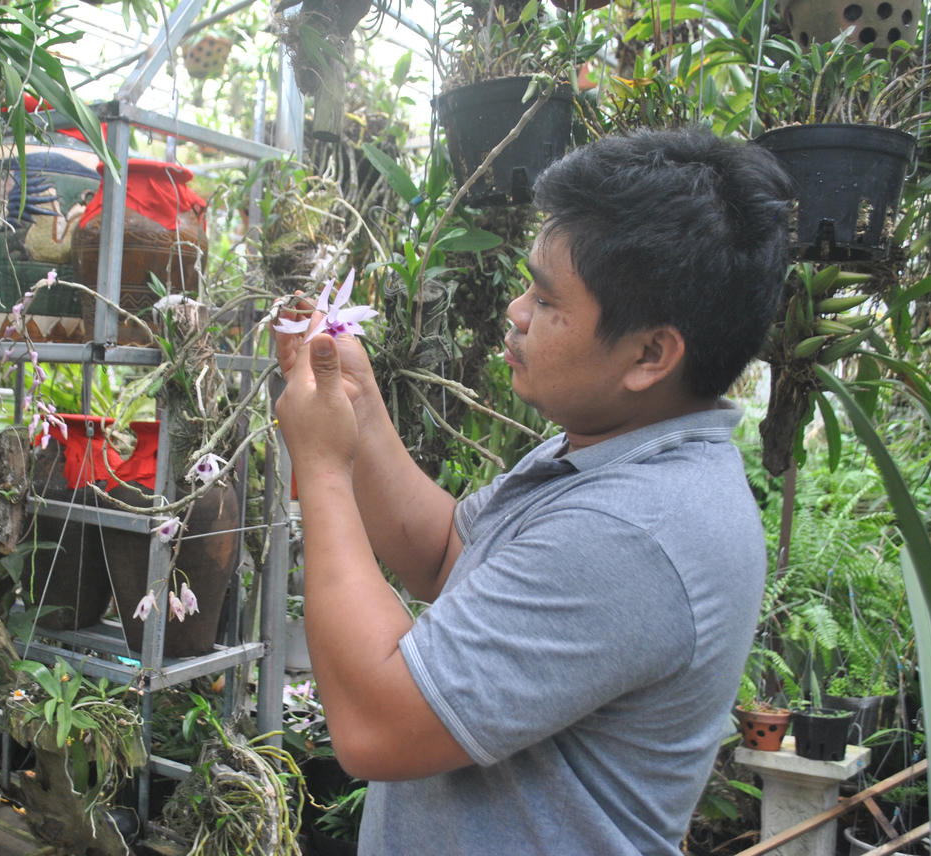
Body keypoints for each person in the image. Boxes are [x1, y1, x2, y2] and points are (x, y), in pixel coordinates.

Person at [272, 127, 794, 855]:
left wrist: (323, 468)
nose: (517, 313)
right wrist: (357, 407)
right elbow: (446, 555)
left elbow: (374, 726)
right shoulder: (606, 452)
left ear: (649, 354)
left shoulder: (632, 530)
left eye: (548, 302)